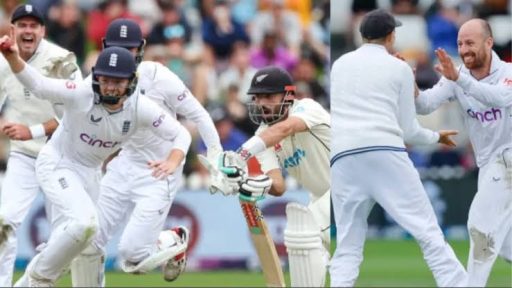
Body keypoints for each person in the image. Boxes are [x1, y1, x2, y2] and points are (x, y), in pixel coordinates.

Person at [0, 32, 191, 286]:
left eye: (118, 82)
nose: (110, 87)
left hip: (90, 172)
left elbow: (181, 135)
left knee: (90, 244)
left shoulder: (139, 107)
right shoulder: (81, 92)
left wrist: (173, 161)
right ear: (96, 76)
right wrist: (12, 57)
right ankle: (39, 280)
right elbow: (38, 84)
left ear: (131, 82)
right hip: (58, 164)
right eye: (105, 79)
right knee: (83, 224)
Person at [69, 19, 222, 286]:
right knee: (88, 239)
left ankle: (173, 238)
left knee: (132, 258)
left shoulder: (158, 76)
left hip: (161, 169)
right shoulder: (97, 79)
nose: (121, 56)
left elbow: (198, 115)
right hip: (124, 163)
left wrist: (217, 158)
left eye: (128, 49)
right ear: (104, 47)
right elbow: (71, 111)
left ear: (141, 48)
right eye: (116, 48)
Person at [329, 9, 467, 287]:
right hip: (384, 151)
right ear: (391, 35)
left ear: (362, 34)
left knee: (347, 246)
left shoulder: (340, 64)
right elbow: (409, 131)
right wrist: (436, 137)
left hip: (342, 157)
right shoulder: (399, 67)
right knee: (428, 233)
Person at [414, 18, 512, 286]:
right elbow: (424, 106)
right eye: (460, 43)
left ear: (489, 43)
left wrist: (458, 79)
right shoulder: (457, 77)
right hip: (491, 164)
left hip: (509, 158)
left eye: (470, 42)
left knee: (480, 226)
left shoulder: (508, 73)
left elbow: (499, 98)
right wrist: (407, 85)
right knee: (504, 245)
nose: (464, 49)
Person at [218, 66, 331, 287]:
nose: (261, 103)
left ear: (288, 96)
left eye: (269, 96)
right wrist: (250, 182)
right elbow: (278, 186)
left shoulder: (307, 108)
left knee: (303, 235)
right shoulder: (262, 135)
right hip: (320, 197)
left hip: (345, 185)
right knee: (309, 254)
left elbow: (285, 129)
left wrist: (240, 155)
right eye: (258, 98)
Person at [0, 4, 82, 286]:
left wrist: (31, 130)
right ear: (12, 30)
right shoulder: (2, 63)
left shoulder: (61, 60)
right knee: (5, 222)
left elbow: (78, 112)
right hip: (24, 155)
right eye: (22, 25)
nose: (28, 30)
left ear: (43, 31)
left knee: (66, 236)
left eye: (34, 26)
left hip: (62, 155)